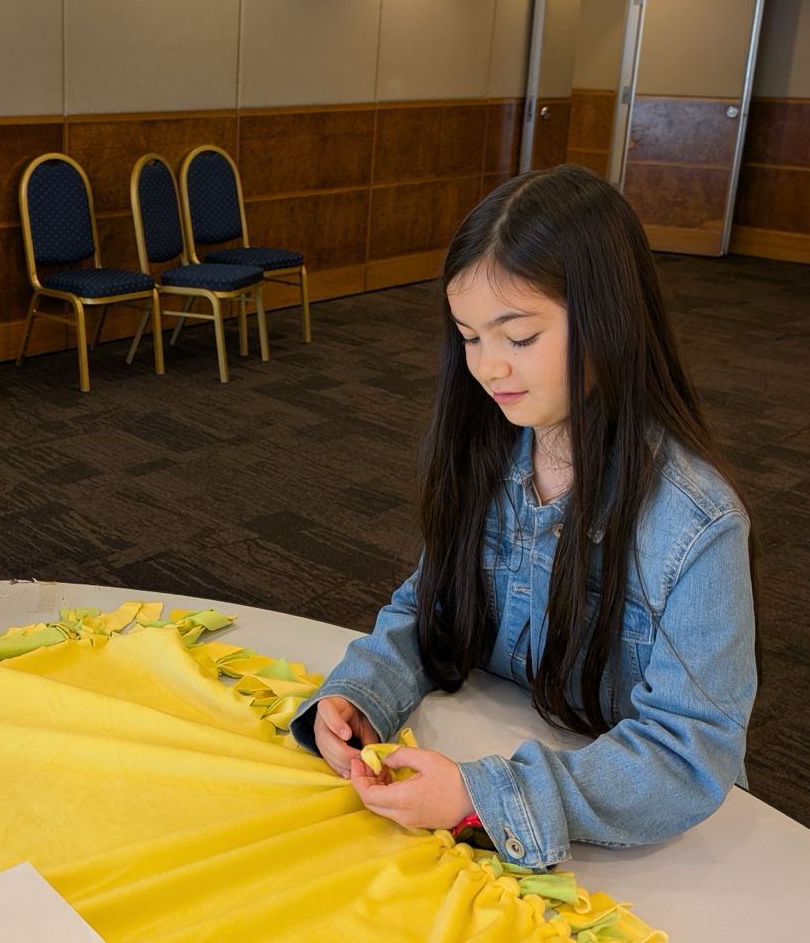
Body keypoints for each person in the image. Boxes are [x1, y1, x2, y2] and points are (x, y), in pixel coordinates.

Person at [290, 164, 756, 868]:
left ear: (608, 318)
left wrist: (486, 793)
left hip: (643, 849)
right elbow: (433, 607)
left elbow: (689, 754)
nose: (489, 368)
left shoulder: (695, 522)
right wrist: (361, 695)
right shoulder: (486, 452)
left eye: (518, 336)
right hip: (494, 764)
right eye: (470, 337)